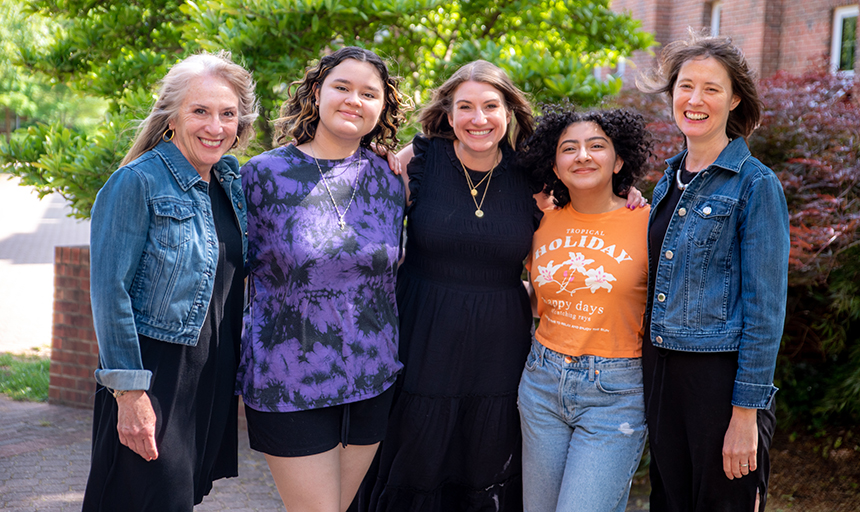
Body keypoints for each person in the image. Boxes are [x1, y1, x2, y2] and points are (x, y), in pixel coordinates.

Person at [82, 51, 258, 511]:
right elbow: (109, 293)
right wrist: (130, 392)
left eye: (228, 114)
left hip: (210, 370)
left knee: (177, 500)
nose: (215, 127)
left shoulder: (228, 181)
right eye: (200, 111)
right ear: (171, 117)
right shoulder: (136, 182)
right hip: (155, 371)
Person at [236, 46, 407, 512]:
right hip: (289, 382)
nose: (355, 100)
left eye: (369, 93)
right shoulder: (261, 177)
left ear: (383, 107)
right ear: (316, 92)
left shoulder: (393, 179)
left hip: (373, 379)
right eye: (343, 87)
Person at [637, 31, 790, 511]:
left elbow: (766, 311)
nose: (695, 100)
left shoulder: (755, 185)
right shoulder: (667, 179)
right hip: (660, 376)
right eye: (685, 86)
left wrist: (745, 414)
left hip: (718, 385)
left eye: (711, 88)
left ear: (734, 98)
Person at [516, 106, 652, 512]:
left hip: (615, 392)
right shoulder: (541, 221)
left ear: (619, 160)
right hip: (542, 382)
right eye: (569, 148)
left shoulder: (649, 221)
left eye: (597, 146)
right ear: (555, 166)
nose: (583, 156)